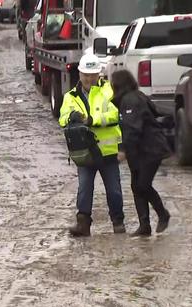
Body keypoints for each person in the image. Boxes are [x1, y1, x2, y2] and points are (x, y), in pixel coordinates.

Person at [59, 54, 125, 237]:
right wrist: (70, 118)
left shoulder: (109, 91)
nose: (89, 79)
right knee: (84, 188)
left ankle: (118, 223)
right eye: (86, 75)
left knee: (114, 190)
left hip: (107, 151)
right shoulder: (70, 97)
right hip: (84, 153)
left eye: (93, 75)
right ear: (80, 74)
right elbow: (62, 119)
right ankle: (83, 225)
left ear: (99, 75)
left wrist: (92, 120)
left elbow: (115, 115)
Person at [110, 69, 171, 236]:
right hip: (139, 151)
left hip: (150, 150)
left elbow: (132, 129)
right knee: (136, 186)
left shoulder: (130, 100)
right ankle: (144, 226)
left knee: (143, 185)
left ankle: (163, 214)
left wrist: (123, 150)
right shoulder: (134, 97)